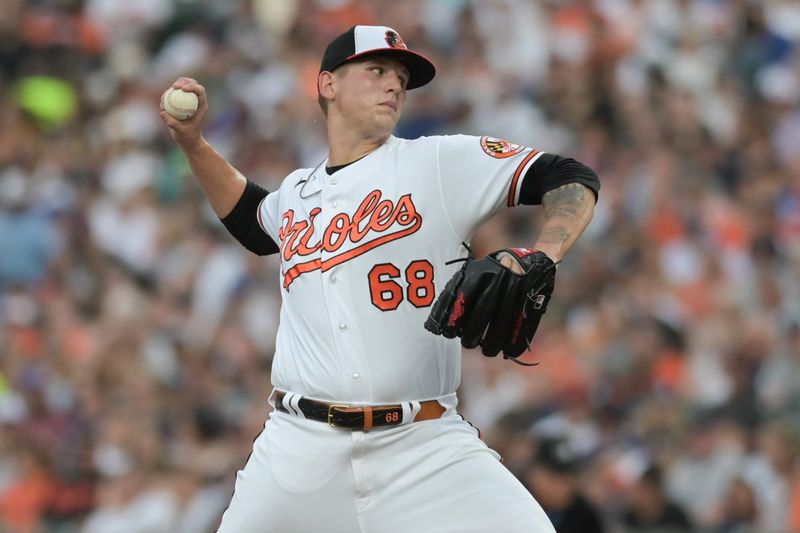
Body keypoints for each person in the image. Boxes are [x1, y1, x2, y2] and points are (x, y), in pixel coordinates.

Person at [159, 24, 599, 533]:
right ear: (327, 84)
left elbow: (570, 176)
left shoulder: (437, 162)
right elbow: (252, 220)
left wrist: (542, 255)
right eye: (376, 70)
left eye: (400, 76)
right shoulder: (297, 192)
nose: (394, 84)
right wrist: (194, 146)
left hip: (424, 445)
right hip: (299, 447)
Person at [524, 438, 605, 533]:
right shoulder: (515, 503)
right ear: (533, 473)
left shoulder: (584, 515)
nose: (561, 487)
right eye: (553, 477)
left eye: (567, 479)